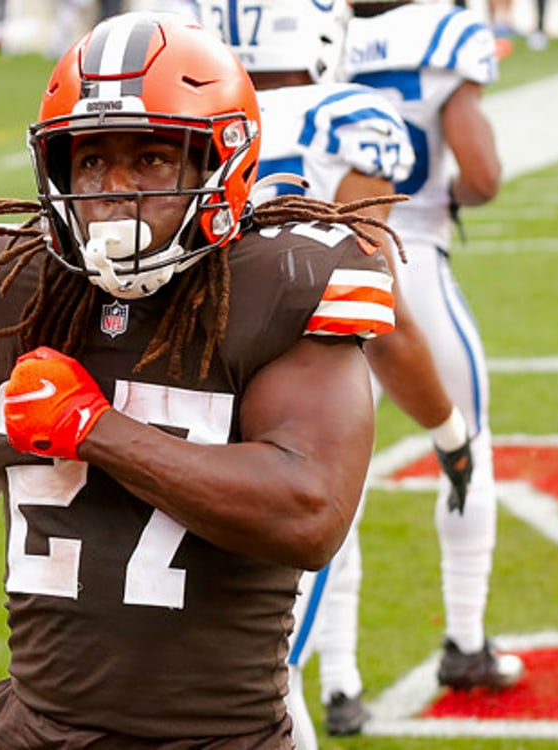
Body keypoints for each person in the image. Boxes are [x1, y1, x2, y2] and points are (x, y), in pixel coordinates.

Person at [0, 13, 404, 749]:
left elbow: (309, 514)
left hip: (217, 737)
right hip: (32, 732)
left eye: (153, 159)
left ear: (220, 164)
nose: (114, 191)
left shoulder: (282, 284)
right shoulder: (1, 290)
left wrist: (96, 431)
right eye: (90, 162)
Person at [198, 0, 476, 741]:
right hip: (290, 404)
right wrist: (448, 431)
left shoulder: (188, 119)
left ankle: (343, 681)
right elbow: (377, 314)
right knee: (267, 676)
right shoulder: (346, 118)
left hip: (183, 401)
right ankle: (332, 688)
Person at [305, 0, 518, 731]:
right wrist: (443, 201)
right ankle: (464, 639)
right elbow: (483, 174)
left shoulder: (313, 29)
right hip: (411, 256)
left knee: (331, 479)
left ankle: (338, 680)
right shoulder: (448, 29)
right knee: (466, 446)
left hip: (317, 275)